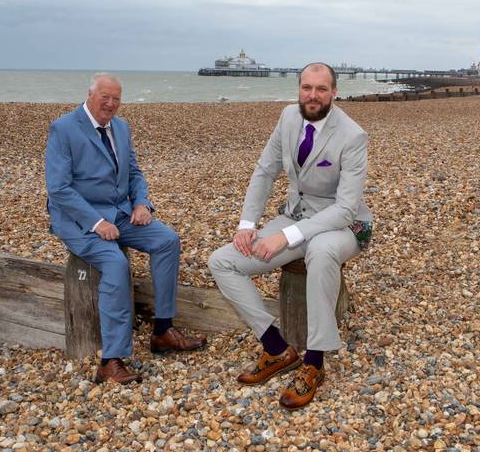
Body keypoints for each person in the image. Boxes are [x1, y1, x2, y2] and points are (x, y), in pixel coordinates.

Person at [208, 62, 372, 409]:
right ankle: (277, 349)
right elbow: (265, 171)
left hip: (343, 226)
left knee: (322, 252)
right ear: (299, 89)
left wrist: (286, 238)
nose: (313, 95)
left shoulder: (353, 135)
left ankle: (314, 363)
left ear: (334, 92)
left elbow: (345, 208)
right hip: (295, 215)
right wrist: (247, 224)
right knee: (222, 261)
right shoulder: (287, 118)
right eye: (306, 88)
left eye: (321, 89)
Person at [45, 72, 205, 384]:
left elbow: (134, 172)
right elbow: (59, 189)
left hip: (120, 214)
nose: (111, 103)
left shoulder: (121, 127)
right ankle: (110, 360)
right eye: (105, 96)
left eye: (116, 98)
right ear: (90, 94)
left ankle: (162, 330)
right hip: (80, 221)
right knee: (116, 263)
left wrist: (142, 203)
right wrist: (97, 222)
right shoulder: (63, 128)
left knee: (167, 240)